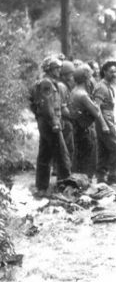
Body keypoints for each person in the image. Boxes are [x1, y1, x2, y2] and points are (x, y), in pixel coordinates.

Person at [30, 56, 71, 195]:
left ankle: (41, 187)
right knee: (61, 153)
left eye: (59, 68)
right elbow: (47, 105)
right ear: (49, 69)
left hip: (44, 121)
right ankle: (67, 186)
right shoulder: (47, 83)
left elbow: (33, 103)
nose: (59, 70)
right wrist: (55, 122)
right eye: (56, 68)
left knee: (45, 153)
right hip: (50, 122)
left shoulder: (43, 82)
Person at [68, 65, 108, 179]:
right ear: (86, 78)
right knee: (89, 161)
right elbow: (96, 111)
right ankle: (86, 183)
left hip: (77, 129)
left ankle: (78, 183)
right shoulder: (83, 95)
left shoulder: (74, 91)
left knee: (79, 159)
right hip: (86, 131)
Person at [93, 60, 116, 185]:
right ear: (104, 72)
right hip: (103, 121)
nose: (114, 74)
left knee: (104, 149)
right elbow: (96, 107)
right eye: (111, 72)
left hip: (107, 119)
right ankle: (113, 174)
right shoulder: (101, 87)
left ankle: (101, 177)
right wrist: (104, 124)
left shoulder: (107, 86)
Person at [57, 61, 76, 171]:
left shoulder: (63, 85)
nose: (72, 76)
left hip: (64, 119)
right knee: (67, 147)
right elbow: (62, 107)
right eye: (70, 73)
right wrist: (73, 117)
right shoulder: (61, 86)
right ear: (64, 74)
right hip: (64, 120)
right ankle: (64, 171)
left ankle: (63, 169)